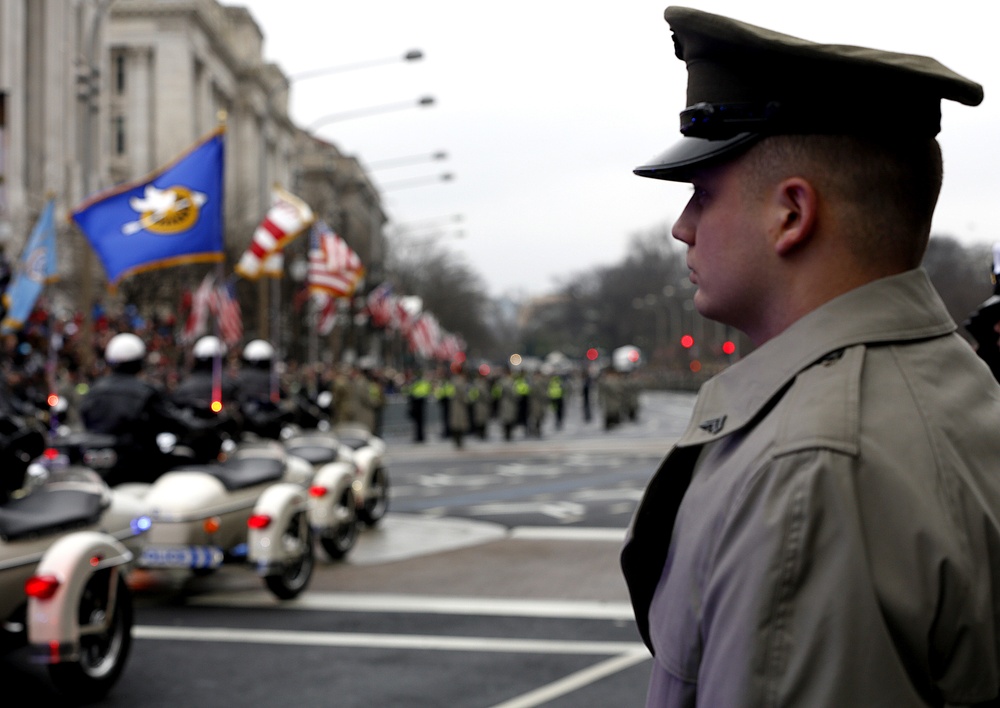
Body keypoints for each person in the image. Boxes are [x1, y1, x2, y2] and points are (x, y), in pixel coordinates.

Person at [620, 7, 1000, 707]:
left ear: (791, 214)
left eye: (703, 193)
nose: (683, 227)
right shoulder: (961, 384)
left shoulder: (812, 470)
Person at [80, 332, 200, 484]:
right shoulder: (146, 391)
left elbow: (84, 418)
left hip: (102, 472)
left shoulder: (95, 390)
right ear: (139, 361)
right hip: (141, 468)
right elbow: (174, 422)